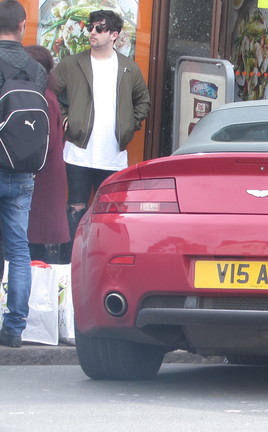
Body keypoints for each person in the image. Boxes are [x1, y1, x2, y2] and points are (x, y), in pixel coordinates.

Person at [53, 9, 151, 262]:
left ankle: (103, 261)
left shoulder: (129, 68)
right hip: (78, 152)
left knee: (109, 212)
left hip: (113, 155)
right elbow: (50, 92)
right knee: (75, 207)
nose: (92, 33)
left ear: (114, 35)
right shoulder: (73, 63)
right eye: (90, 27)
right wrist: (65, 117)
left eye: (99, 28)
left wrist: (130, 125)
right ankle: (70, 262)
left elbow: (144, 101)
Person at [0, 0, 47, 348]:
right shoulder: (37, 69)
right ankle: (14, 329)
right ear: (23, 25)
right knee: (18, 249)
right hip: (23, 171)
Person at [24, 45, 70, 264]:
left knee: (35, 239)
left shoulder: (45, 97)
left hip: (42, 177)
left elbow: (46, 140)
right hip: (44, 174)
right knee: (32, 239)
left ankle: (36, 293)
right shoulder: (46, 95)